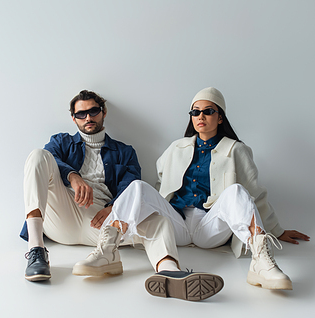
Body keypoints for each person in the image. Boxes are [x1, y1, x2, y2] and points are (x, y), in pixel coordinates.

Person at [74, 87, 309, 300]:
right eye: (195, 112)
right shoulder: (177, 148)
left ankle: (262, 262)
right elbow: (159, 185)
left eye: (208, 111)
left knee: (237, 190)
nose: (201, 117)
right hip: (177, 224)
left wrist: (276, 230)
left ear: (220, 117)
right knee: (137, 186)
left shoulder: (236, 150)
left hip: (211, 227)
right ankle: (107, 252)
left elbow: (254, 195)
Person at [20, 90, 214, 293]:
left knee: (159, 222)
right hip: (63, 212)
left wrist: (113, 208)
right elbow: (48, 159)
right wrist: (73, 176)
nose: (88, 117)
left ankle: (168, 271)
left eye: (93, 111)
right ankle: (36, 251)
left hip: (105, 223)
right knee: (38, 156)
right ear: (73, 118)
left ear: (103, 112)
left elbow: (131, 185)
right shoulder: (61, 142)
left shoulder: (125, 151)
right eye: (81, 114)